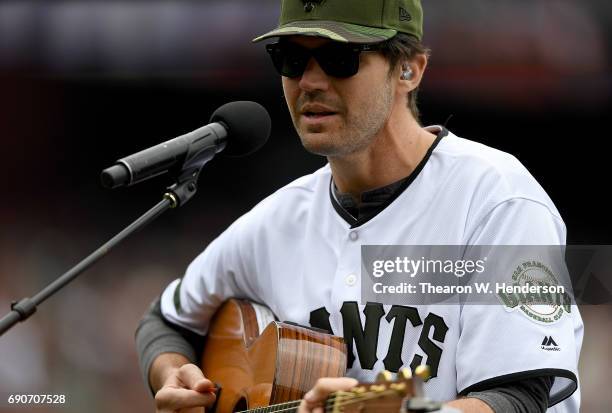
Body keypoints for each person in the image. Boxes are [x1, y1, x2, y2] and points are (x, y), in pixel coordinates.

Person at [135, 1, 583, 412]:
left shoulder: (497, 201)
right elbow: (165, 320)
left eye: (339, 58)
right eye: (291, 59)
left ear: (409, 69)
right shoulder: (277, 219)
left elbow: (521, 396)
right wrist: (172, 374)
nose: (309, 81)